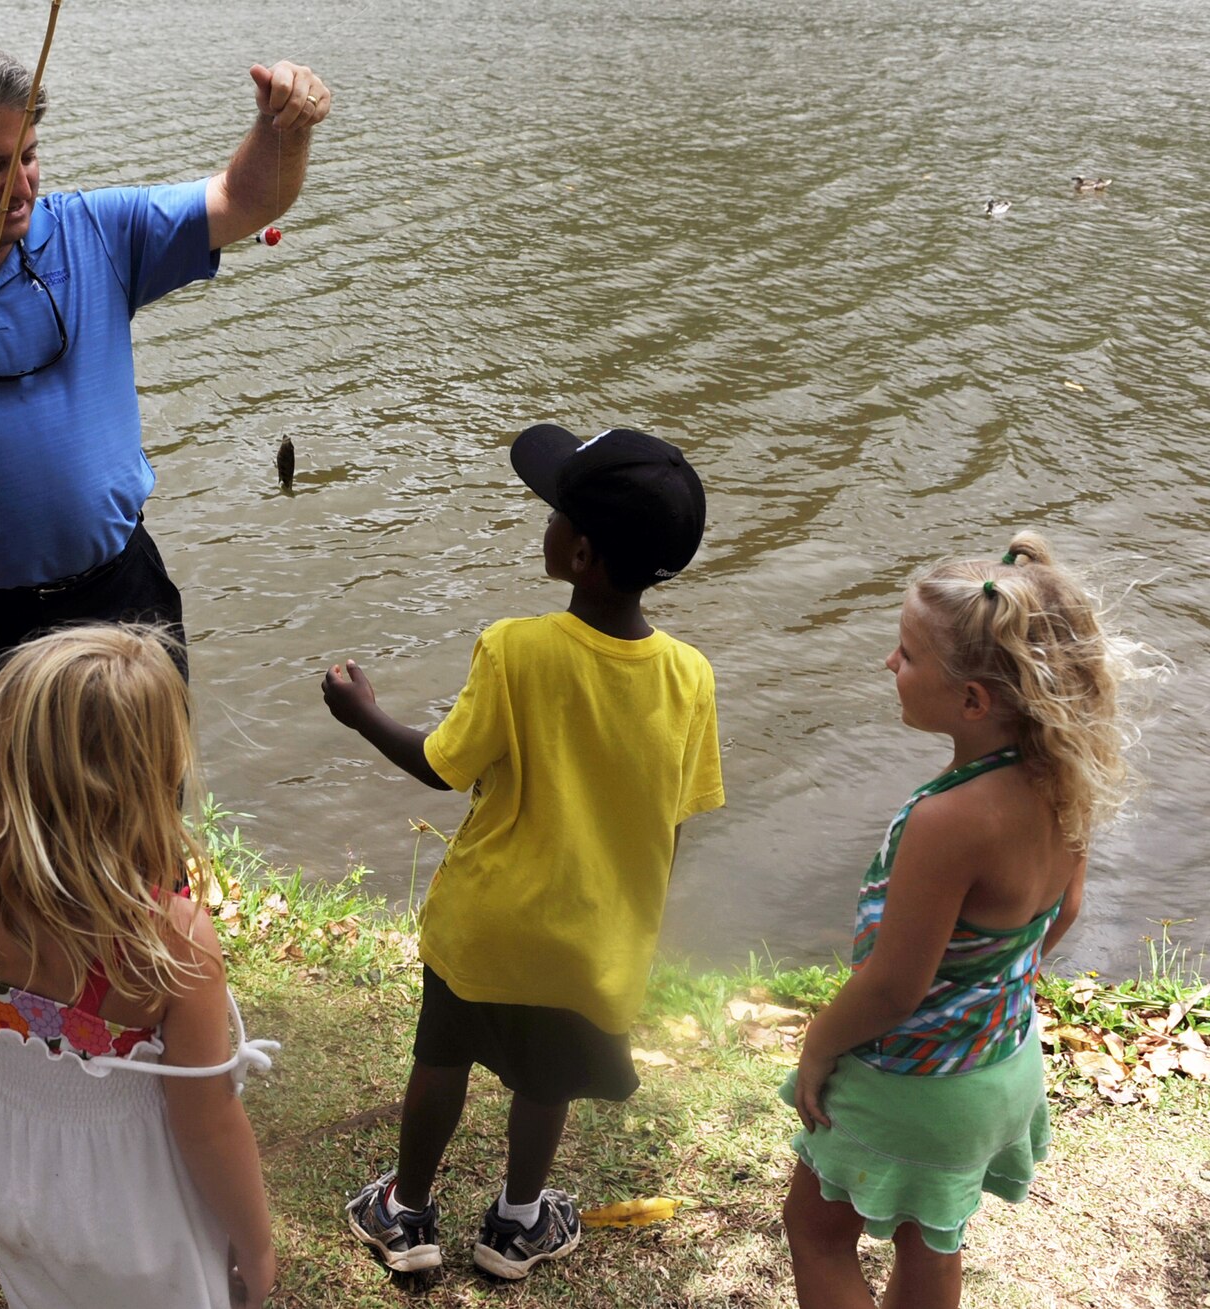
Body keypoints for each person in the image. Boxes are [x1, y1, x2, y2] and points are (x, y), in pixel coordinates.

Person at [0, 33, 332, 810]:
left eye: (30, 155)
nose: (20, 185)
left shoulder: (96, 232)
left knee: (144, 827)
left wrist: (286, 128)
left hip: (120, 598)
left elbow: (246, 200)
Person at [322, 424, 724, 1280]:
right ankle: (515, 1223)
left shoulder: (516, 649)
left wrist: (362, 712)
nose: (540, 522)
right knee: (548, 1080)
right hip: (593, 941)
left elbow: (440, 763)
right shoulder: (691, 676)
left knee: (442, 1058)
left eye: (552, 512)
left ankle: (407, 1212)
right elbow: (673, 822)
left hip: (488, 925)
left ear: (579, 552)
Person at [781, 532, 1151, 1307]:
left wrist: (818, 1045)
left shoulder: (950, 819)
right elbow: (1068, 907)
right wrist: (983, 985)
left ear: (973, 701)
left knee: (815, 1230)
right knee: (932, 1241)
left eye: (907, 655)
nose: (890, 664)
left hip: (912, 1083)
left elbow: (893, 986)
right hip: (1001, 1062)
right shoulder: (1065, 776)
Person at [0, 625, 280, 1307]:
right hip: (137, 1208)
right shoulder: (172, 939)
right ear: (155, 773)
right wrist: (258, 1244)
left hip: (11, 1176)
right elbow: (205, 1123)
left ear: (6, 751)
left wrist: (18, 1063)